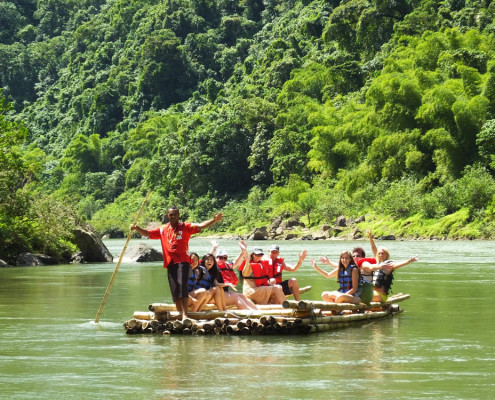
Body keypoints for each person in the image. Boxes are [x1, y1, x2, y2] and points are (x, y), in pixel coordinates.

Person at [130, 206, 223, 321]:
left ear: (178, 215)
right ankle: (180, 313)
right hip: (170, 263)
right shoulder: (162, 230)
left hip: (183, 262)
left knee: (181, 286)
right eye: (170, 214)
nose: (173, 216)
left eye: (175, 214)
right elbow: (148, 233)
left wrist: (214, 220)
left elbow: (200, 226)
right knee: (175, 290)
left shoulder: (185, 227)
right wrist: (136, 228)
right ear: (167, 216)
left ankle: (185, 315)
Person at [215, 245, 258, 310]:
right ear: (216, 258)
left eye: (225, 258)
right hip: (215, 295)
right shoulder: (213, 267)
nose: (223, 260)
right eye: (221, 257)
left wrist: (243, 251)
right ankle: (250, 312)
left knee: (242, 296)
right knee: (235, 296)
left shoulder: (226, 266)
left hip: (224, 293)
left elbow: (236, 261)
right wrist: (214, 248)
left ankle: (257, 311)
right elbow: (206, 260)